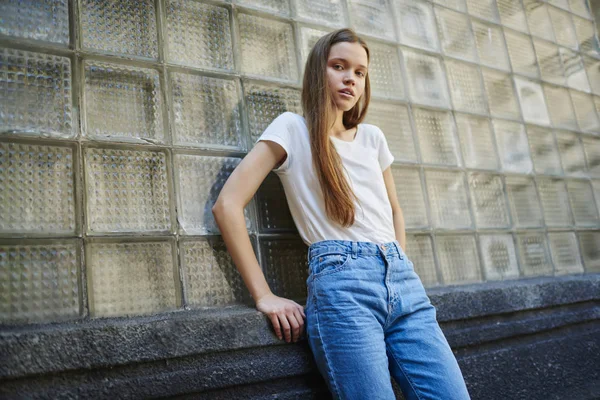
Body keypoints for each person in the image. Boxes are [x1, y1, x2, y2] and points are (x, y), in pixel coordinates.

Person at [212, 28, 471, 400]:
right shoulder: (292, 128)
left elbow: (394, 209)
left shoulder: (372, 138)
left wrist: (397, 262)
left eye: (360, 72)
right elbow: (227, 204)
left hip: (402, 282)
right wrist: (264, 295)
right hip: (343, 288)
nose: (351, 77)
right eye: (339, 66)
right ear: (319, 71)